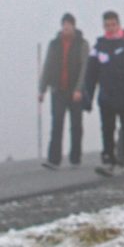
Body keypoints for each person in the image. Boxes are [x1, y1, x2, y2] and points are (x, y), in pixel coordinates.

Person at [81, 11, 124, 170]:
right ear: (104, 26)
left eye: (113, 25)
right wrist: (88, 96)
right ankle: (109, 158)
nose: (110, 28)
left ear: (118, 25)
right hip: (106, 96)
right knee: (107, 128)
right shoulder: (98, 48)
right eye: (107, 25)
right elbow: (90, 75)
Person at [38, 13, 88, 169]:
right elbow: (47, 66)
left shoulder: (82, 44)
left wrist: (79, 89)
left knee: (76, 125)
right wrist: (42, 89)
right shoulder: (54, 44)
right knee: (57, 123)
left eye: (69, 24)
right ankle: (54, 159)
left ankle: (75, 158)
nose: (66, 27)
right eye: (64, 24)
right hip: (58, 89)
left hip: (75, 91)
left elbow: (85, 68)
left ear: (74, 26)